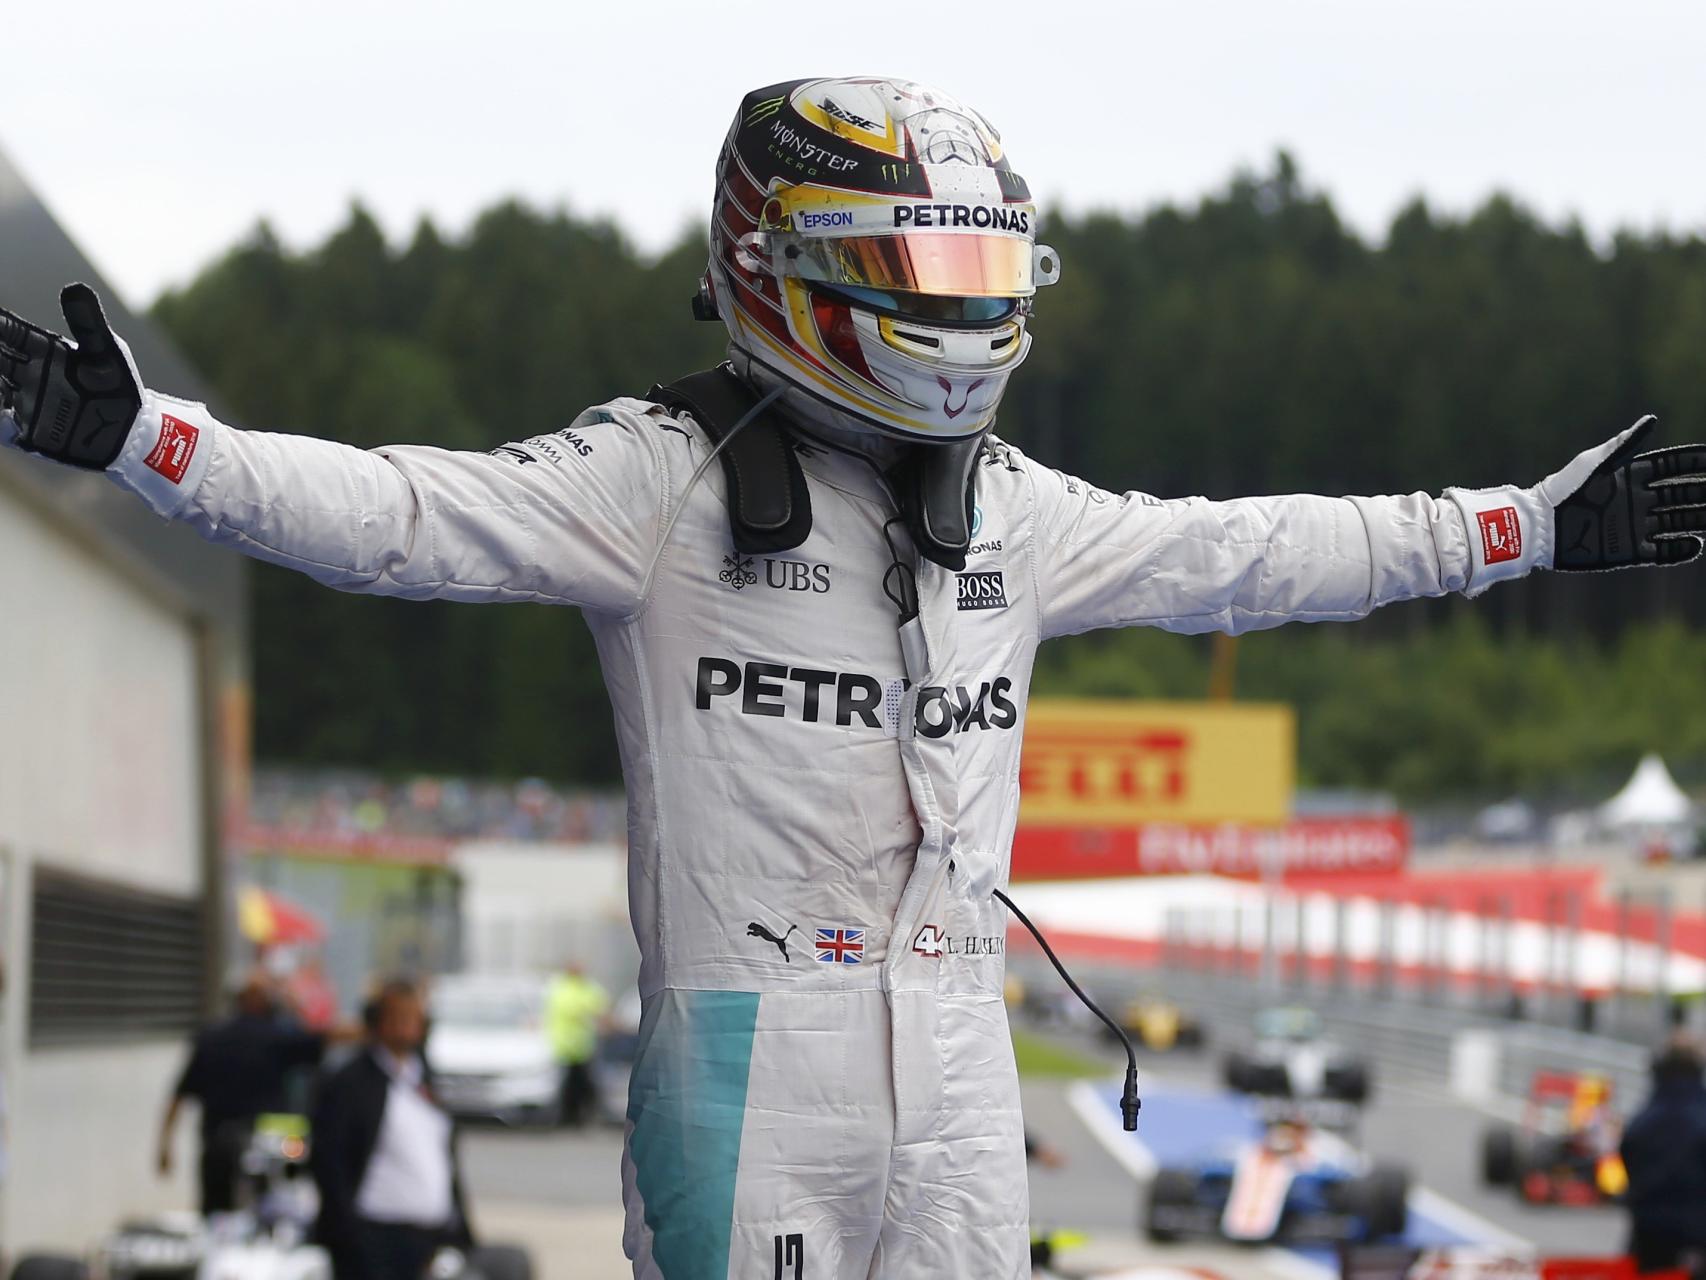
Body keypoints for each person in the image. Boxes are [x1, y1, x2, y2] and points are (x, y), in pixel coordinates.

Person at [3, 75, 1704, 1280]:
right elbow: (393, 516)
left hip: (961, 1048)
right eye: (917, 275)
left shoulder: (1017, 512)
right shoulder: (652, 480)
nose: (955, 314)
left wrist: (1523, 531)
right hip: (744, 1059)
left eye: (979, 275)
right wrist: (153, 441)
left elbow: (1258, 553)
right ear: (780, 267)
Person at [310, 979, 474, 1280]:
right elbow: (329, 1162)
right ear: (377, 1022)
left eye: (414, 1017)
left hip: (429, 1237)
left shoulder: (423, 1078)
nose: (406, 1025)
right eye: (397, 1016)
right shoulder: (350, 1082)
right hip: (374, 1239)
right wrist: (349, 1233)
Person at [159, 972, 334, 1214]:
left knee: (217, 1217)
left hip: (222, 1147)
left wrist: (165, 1145)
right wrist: (294, 1005)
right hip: (267, 1148)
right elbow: (321, 1037)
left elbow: (179, 1096)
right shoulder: (278, 1035)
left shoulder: (212, 1037)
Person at [1620, 1033, 1706, 1274]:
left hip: (1648, 1233)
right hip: (1698, 1234)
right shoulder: (1701, 1113)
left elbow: (1628, 1156)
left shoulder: (1643, 1119)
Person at [545, 962, 609, 1127]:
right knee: (572, 1084)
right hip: (569, 1045)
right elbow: (597, 1010)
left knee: (578, 1084)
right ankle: (569, 1117)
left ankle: (571, 1117)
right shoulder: (575, 989)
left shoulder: (562, 987)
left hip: (577, 1045)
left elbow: (601, 1009)